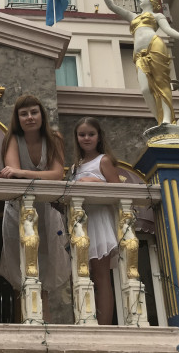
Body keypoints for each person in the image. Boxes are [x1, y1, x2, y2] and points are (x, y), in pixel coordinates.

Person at [0, 94, 70, 322]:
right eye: (24, 114)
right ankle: (28, 320)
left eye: (34, 112)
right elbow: (13, 174)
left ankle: (43, 321)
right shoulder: (12, 139)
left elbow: (57, 174)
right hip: (19, 210)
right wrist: (25, 174)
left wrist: (23, 172)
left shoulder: (54, 139)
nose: (29, 117)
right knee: (22, 264)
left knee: (45, 267)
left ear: (41, 115)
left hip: (47, 210)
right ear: (17, 118)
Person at [99, 0, 179, 125]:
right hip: (139, 54)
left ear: (151, 0)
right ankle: (159, 120)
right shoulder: (133, 16)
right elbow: (112, 7)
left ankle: (166, 119)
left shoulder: (157, 16)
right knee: (145, 89)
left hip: (155, 46)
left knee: (161, 82)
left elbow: (168, 30)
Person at [69, 117, 121, 324]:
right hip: (81, 222)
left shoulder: (103, 160)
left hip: (99, 221)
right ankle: (85, 320)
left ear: (99, 137)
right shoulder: (75, 167)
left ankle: (105, 325)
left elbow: (118, 190)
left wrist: (95, 181)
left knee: (101, 277)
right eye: (82, 135)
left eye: (91, 134)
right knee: (81, 276)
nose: (86, 138)